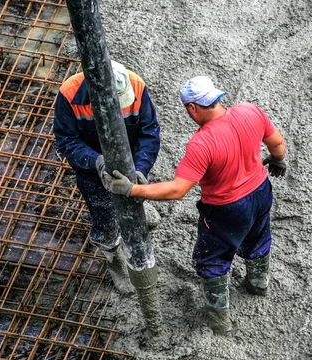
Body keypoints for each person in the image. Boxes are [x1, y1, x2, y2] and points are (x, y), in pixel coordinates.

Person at [101, 75, 287, 334]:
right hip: (261, 192)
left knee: (213, 259)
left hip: (226, 209)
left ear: (192, 107)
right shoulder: (250, 111)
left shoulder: (202, 143)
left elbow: (178, 190)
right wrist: (277, 160)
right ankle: (258, 284)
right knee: (258, 239)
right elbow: (277, 143)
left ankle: (220, 321)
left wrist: (132, 189)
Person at [52, 60, 161, 293]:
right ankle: (114, 258)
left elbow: (149, 132)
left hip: (129, 161)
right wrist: (96, 162)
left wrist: (140, 169)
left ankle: (138, 207)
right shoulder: (70, 94)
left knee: (134, 196)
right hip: (93, 169)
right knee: (104, 214)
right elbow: (67, 140)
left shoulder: (135, 85)